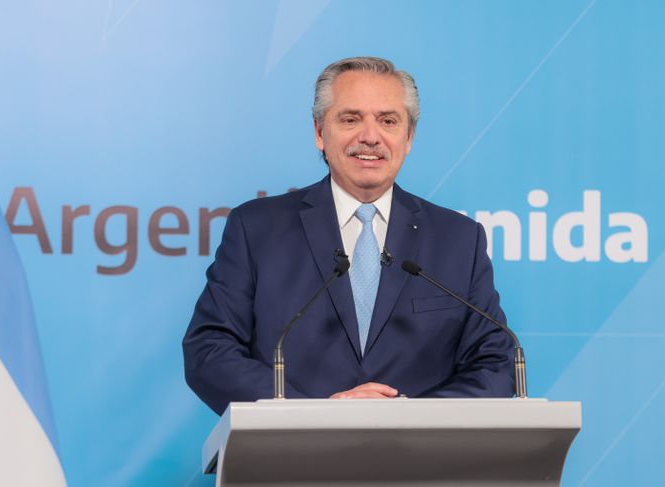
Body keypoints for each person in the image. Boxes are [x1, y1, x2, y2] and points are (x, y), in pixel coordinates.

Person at [183, 57, 514, 415]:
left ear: (409, 137)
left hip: (420, 448)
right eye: (351, 119)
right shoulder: (256, 228)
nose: (370, 137)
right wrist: (315, 415)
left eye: (388, 121)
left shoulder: (459, 240)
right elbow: (210, 351)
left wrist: (408, 418)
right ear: (319, 132)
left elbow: (496, 363)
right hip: (294, 446)